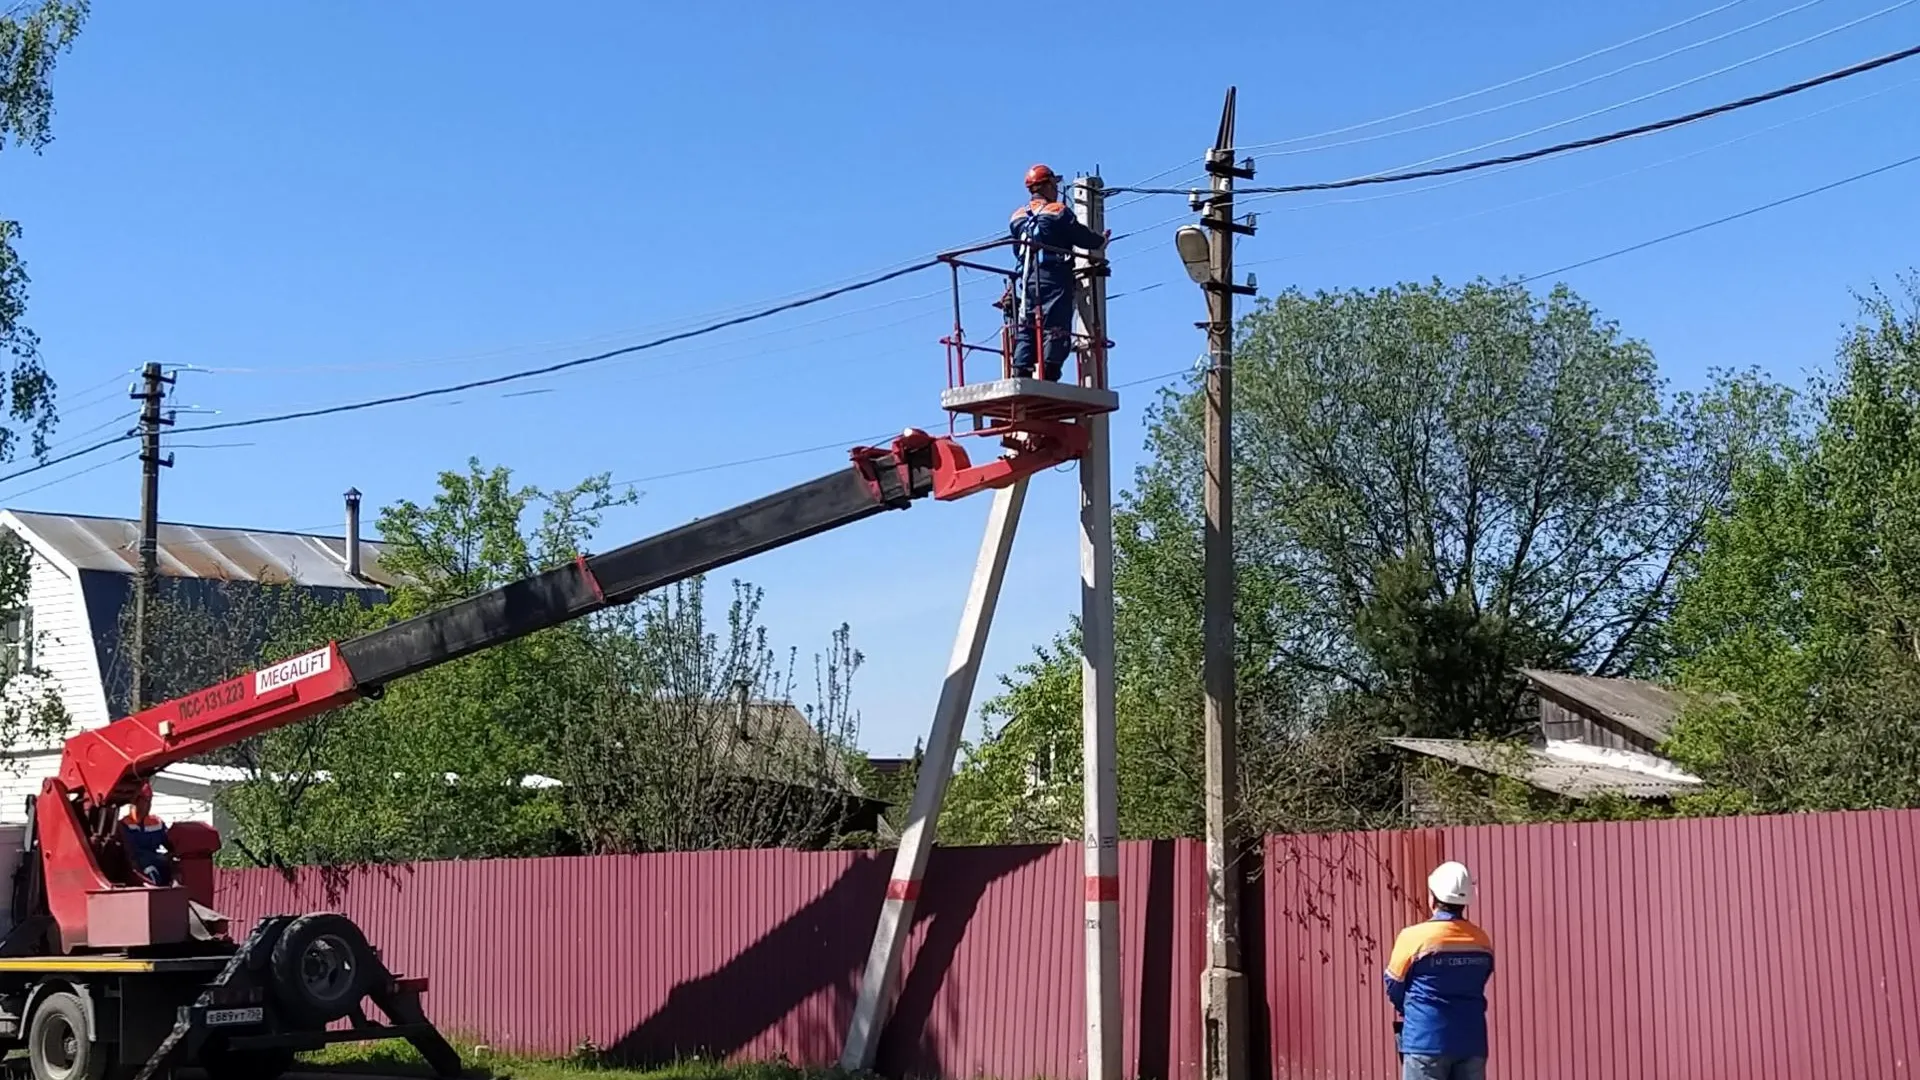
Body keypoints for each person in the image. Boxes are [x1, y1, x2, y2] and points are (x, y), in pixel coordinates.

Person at [1383, 861, 1494, 1080]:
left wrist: (1410, 1009)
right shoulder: (1481, 940)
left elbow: (1393, 985)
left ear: (1432, 898)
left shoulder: (1413, 937)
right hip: (1471, 1040)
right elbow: (1481, 979)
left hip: (1425, 1041)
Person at [1007, 163, 1106, 381]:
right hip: (1053, 276)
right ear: (1049, 185)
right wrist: (1101, 241)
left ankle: (1021, 370)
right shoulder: (1058, 212)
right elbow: (1082, 236)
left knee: (1028, 322)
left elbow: (1017, 251)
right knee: (1055, 324)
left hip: (1028, 279)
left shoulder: (1017, 217)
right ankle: (1050, 373)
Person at [119, 781, 176, 887]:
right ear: (135, 801)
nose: (148, 804)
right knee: (151, 873)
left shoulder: (156, 823)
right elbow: (131, 853)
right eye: (145, 800)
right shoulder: (124, 825)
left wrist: (170, 855)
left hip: (158, 862)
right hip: (139, 868)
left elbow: (171, 845)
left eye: (150, 800)